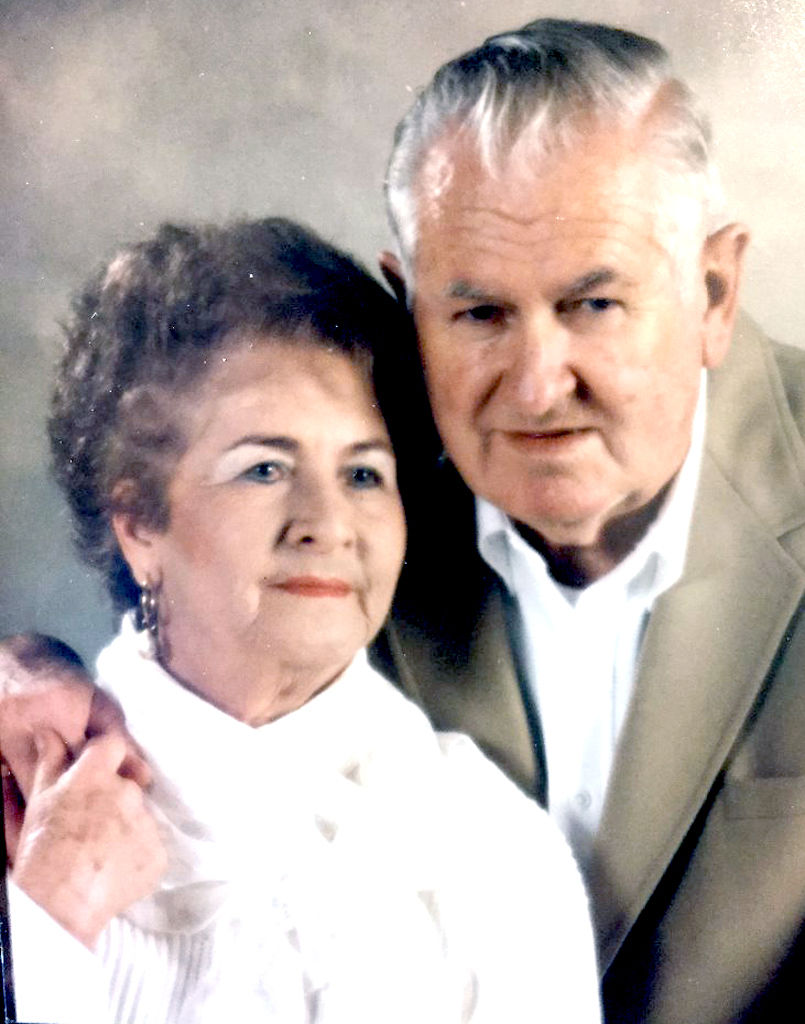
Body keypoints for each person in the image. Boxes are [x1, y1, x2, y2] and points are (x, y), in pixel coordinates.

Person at [2, 16, 803, 1023]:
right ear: (410, 306)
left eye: (592, 304)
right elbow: (187, 601)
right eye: (478, 313)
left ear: (713, 291)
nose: (536, 386)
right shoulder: (379, 487)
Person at [1, 218, 601, 1023]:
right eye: (263, 468)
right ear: (139, 522)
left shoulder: (493, 848)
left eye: (363, 473)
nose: (327, 522)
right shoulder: (20, 791)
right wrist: (44, 932)